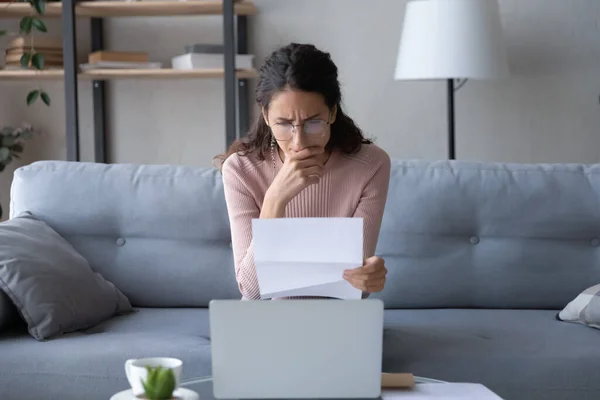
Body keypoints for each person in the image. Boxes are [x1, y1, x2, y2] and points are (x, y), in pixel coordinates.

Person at [216, 43, 391, 300]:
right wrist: (275, 199)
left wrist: (369, 277)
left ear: (332, 112)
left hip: (338, 319)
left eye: (313, 123)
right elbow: (252, 290)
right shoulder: (240, 170)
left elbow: (356, 287)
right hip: (267, 322)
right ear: (266, 116)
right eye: (284, 124)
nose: (299, 143)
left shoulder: (371, 165)